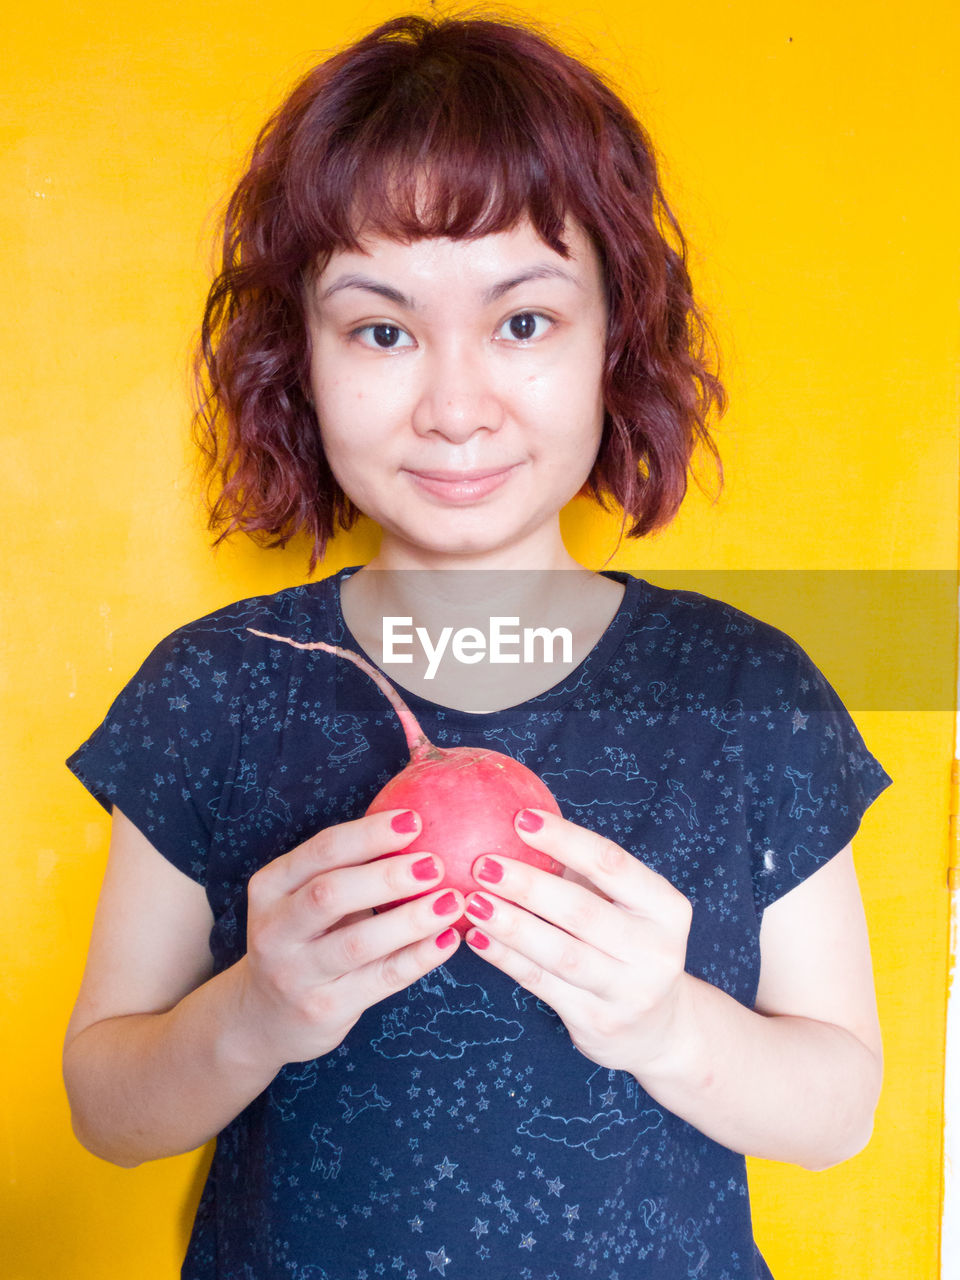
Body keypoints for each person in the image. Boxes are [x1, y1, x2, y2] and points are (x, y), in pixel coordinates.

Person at [63, 14, 891, 1279]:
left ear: (614, 336)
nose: (454, 406)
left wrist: (665, 1021)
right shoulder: (219, 686)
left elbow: (839, 1107)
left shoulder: (746, 690)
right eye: (382, 330)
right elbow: (105, 1109)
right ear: (304, 359)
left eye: (522, 323)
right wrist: (257, 1012)